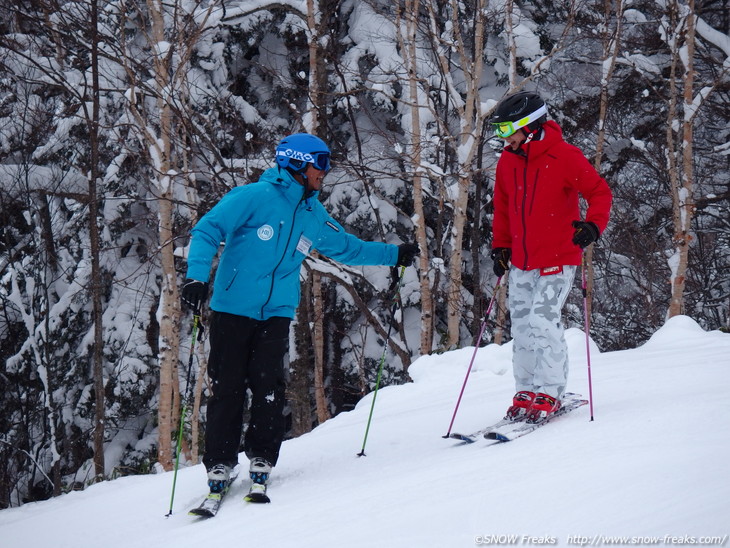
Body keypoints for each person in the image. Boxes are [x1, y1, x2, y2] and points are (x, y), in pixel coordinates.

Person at [181, 133, 418, 502]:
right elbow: (208, 229)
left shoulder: (311, 213)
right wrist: (196, 276)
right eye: (319, 165)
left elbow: (346, 247)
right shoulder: (253, 198)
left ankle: (262, 456)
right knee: (227, 387)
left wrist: (393, 255)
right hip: (231, 309)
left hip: (276, 312)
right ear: (296, 163)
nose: (324, 173)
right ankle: (220, 463)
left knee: (269, 387)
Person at [489, 91, 612, 424]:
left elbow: (599, 192)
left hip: (558, 257)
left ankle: (551, 390)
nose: (502, 138)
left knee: (543, 320)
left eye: (505, 130)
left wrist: (593, 225)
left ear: (528, 126)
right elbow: (502, 208)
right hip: (522, 261)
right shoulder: (507, 161)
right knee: (523, 325)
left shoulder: (564, 156)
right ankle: (526, 388)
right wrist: (501, 246)